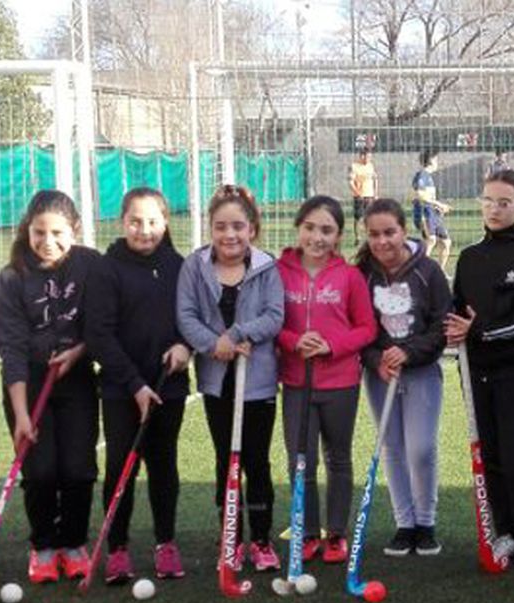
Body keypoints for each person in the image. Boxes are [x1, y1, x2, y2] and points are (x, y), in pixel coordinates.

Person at [0, 190, 102, 584]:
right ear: (28, 230)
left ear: (74, 230)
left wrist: (79, 351)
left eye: (58, 232)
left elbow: (101, 323)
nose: (48, 242)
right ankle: (43, 547)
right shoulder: (11, 277)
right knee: (39, 472)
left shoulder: (91, 265)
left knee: (77, 469)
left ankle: (73, 543)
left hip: (77, 380)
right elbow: (12, 349)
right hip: (30, 382)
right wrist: (21, 414)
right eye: (39, 232)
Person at [176, 184, 285, 571]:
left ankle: (261, 539)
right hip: (216, 381)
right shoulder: (195, 266)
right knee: (227, 460)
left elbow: (275, 315)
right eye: (221, 226)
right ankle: (231, 539)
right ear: (211, 229)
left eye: (238, 226)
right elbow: (186, 316)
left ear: (252, 229)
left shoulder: (266, 265)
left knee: (257, 461)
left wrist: (236, 335)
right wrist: (213, 345)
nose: (229, 234)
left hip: (256, 382)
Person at [85, 188, 191, 583]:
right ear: (121, 223)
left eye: (152, 222)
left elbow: (193, 317)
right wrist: (133, 385)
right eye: (135, 222)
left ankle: (166, 544)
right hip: (120, 389)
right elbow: (98, 334)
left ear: (165, 222)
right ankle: (117, 549)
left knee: (164, 464)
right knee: (119, 467)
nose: (144, 230)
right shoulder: (106, 269)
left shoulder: (180, 266)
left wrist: (186, 345)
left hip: (169, 385)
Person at [445, 169, 514, 567]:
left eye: (504, 202)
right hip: (474, 373)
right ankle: (503, 531)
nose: (495, 209)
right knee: (488, 453)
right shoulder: (469, 257)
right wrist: (451, 330)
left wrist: (481, 331)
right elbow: (456, 311)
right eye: (488, 201)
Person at [277, 195, 377, 562]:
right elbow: (274, 324)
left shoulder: (350, 276)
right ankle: (306, 531)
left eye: (327, 230)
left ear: (338, 236)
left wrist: (331, 346)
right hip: (296, 382)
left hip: (340, 384)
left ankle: (335, 534)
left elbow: (367, 328)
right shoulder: (279, 271)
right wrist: (293, 341)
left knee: (337, 458)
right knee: (299, 460)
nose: (317, 237)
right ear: (298, 228)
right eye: (310, 228)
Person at [357, 199, 453, 557]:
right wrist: (376, 357)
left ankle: (426, 522)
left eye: (389, 232)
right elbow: (359, 327)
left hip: (422, 371)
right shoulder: (363, 274)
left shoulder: (427, 271)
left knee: (421, 449)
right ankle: (405, 524)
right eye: (374, 234)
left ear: (403, 231)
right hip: (380, 374)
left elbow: (442, 325)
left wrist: (410, 351)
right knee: (392, 447)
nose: (382, 241)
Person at [412, 149, 453, 269]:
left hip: (433, 214)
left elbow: (429, 198)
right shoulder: (421, 175)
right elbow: (420, 195)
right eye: (436, 160)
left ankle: (439, 272)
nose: (437, 162)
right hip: (424, 213)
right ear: (431, 161)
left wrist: (437, 208)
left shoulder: (429, 177)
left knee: (446, 242)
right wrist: (439, 204)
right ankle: (419, 271)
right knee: (431, 240)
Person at [349, 148, 378, 241]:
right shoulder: (354, 166)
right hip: (359, 196)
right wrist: (357, 193)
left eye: (370, 157)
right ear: (362, 156)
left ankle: (369, 235)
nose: (368, 159)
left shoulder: (371, 166)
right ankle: (357, 237)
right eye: (367, 157)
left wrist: (375, 193)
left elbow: (375, 179)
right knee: (358, 217)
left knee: (370, 217)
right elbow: (351, 182)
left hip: (369, 195)